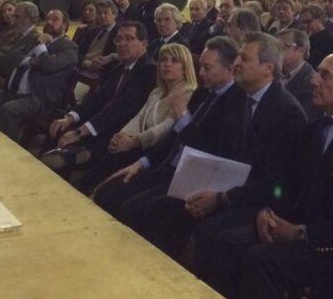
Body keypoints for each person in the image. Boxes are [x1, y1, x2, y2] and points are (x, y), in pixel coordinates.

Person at [200, 54, 333, 299]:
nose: (314, 80)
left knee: (262, 261)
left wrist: (302, 232)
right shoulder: (315, 129)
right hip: (298, 227)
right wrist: (268, 211)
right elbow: (289, 186)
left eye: (325, 76)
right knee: (225, 241)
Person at [93, 37, 242, 220]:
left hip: (193, 178)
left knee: (132, 211)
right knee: (108, 192)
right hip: (167, 165)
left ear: (229, 69)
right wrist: (141, 163)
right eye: (201, 66)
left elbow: (206, 152)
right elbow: (172, 137)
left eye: (207, 68)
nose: (201, 72)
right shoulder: (203, 93)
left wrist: (182, 115)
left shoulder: (236, 103)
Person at [72, 43, 197, 194]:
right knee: (108, 155)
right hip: (139, 145)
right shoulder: (157, 92)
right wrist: (122, 136)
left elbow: (166, 128)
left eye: (174, 61)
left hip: (157, 152)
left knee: (109, 172)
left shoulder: (188, 94)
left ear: (185, 67)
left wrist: (133, 141)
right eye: (163, 60)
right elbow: (139, 118)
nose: (167, 64)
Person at [41, 22, 156, 172]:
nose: (122, 44)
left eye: (129, 38)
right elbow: (97, 99)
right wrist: (70, 117)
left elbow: (120, 109)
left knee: (63, 156)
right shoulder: (121, 67)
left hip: (119, 132)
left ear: (144, 44)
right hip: (103, 124)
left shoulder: (148, 70)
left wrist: (80, 132)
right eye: (119, 39)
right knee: (58, 122)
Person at [0, 9, 79, 143]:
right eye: (47, 19)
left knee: (9, 110)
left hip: (39, 98)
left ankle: (9, 151)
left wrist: (40, 47)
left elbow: (48, 65)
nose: (49, 22)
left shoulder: (69, 47)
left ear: (65, 26)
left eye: (55, 19)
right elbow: (13, 58)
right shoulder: (38, 40)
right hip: (13, 91)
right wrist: (32, 59)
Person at [277, 28, 319, 120]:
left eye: (283, 47)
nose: (277, 52)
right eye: (276, 47)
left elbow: (301, 117)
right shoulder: (275, 72)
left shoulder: (310, 82)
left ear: (300, 50)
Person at [299, 4, 333, 69]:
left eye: (308, 22)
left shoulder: (330, 41)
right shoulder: (304, 39)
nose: (305, 26)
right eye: (303, 22)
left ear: (319, 20)